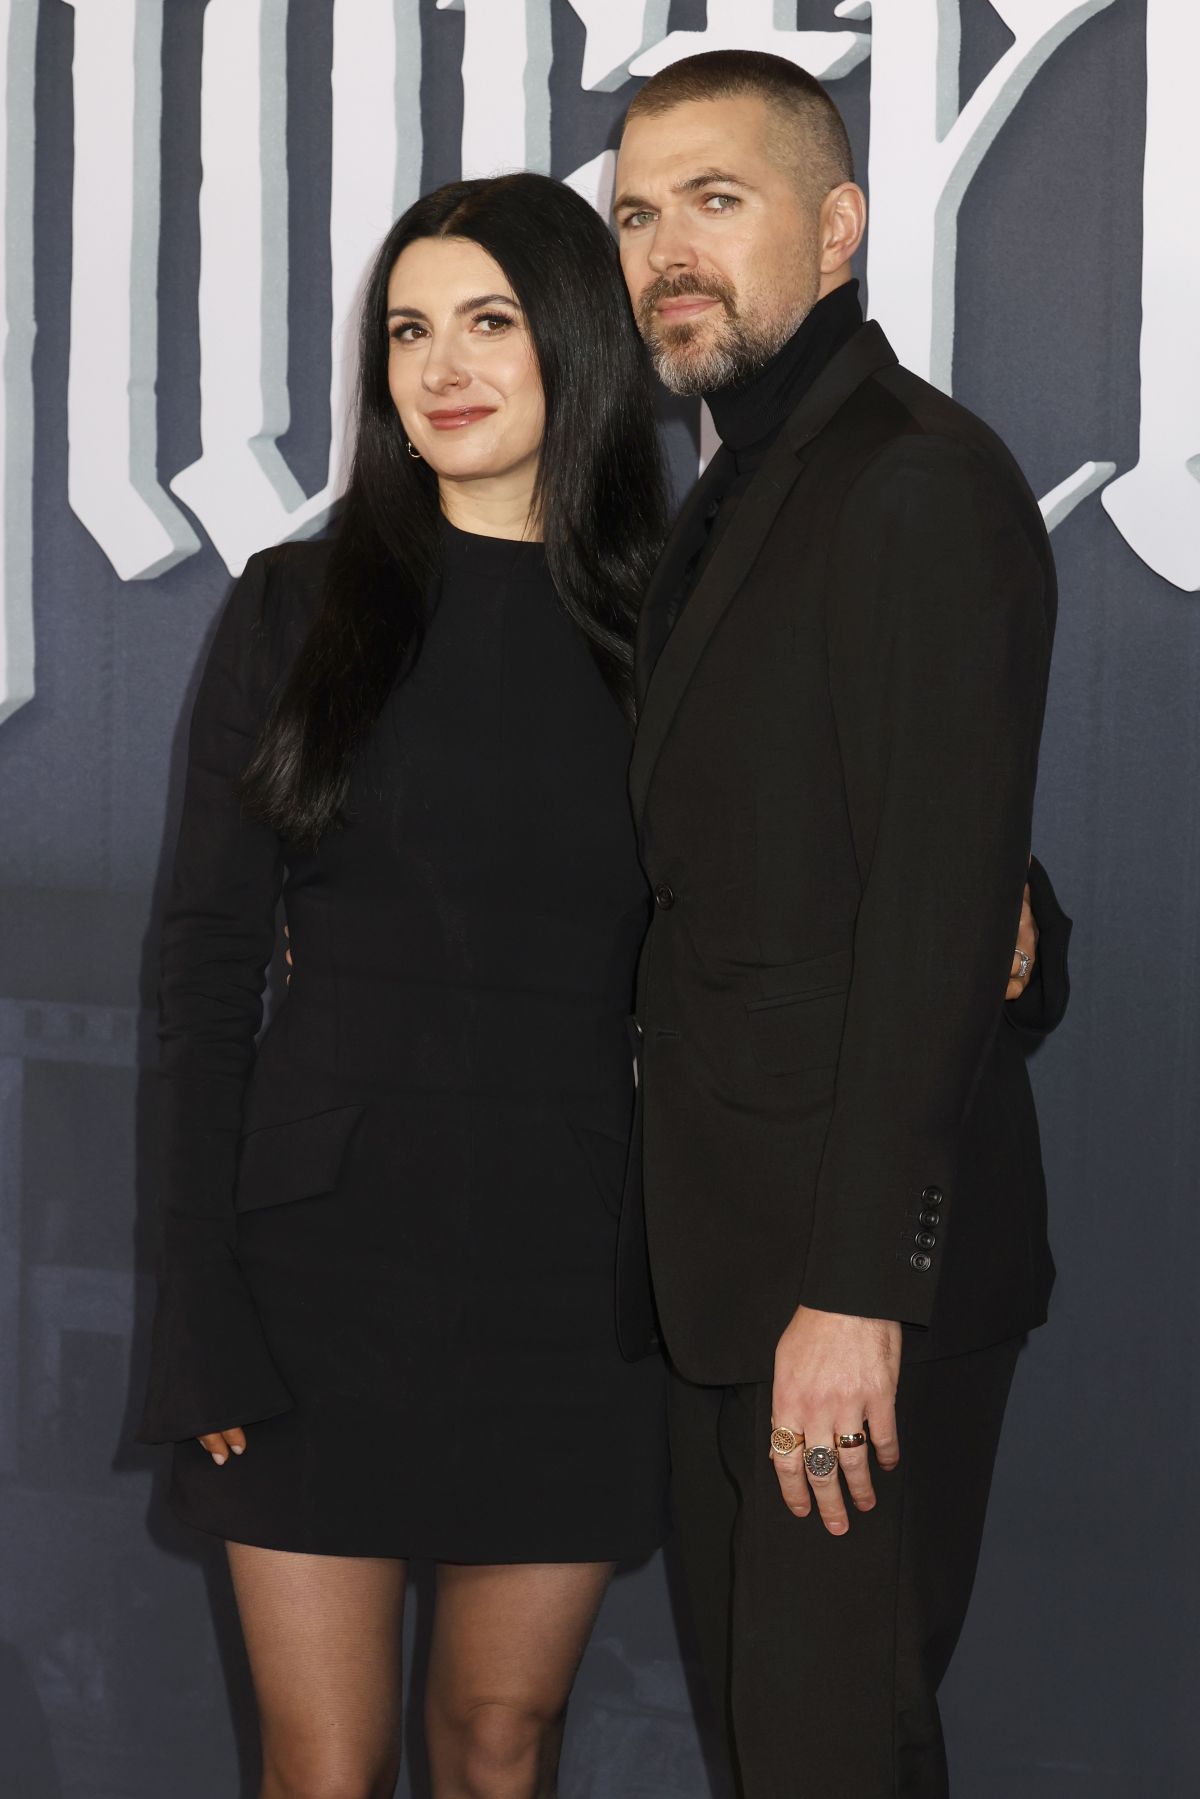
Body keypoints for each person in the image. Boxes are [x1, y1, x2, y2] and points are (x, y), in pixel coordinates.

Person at [136, 172, 673, 1799]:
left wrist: (1011, 924)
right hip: (316, 1280)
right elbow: (203, 972)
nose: (441, 367)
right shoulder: (300, 610)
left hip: (570, 1280)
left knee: (504, 1745)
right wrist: (197, 1322)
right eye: (408, 332)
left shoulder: (680, 630)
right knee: (324, 1766)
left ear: (579, 343)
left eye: (490, 323)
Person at [611, 49, 1072, 1798]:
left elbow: (944, 907)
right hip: (739, 1273)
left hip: (845, 1290)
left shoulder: (911, 481)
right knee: (783, 1756)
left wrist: (855, 1292)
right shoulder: (743, 494)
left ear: (841, 225)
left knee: (829, 1759)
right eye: (642, 215)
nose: (669, 250)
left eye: (715, 204)